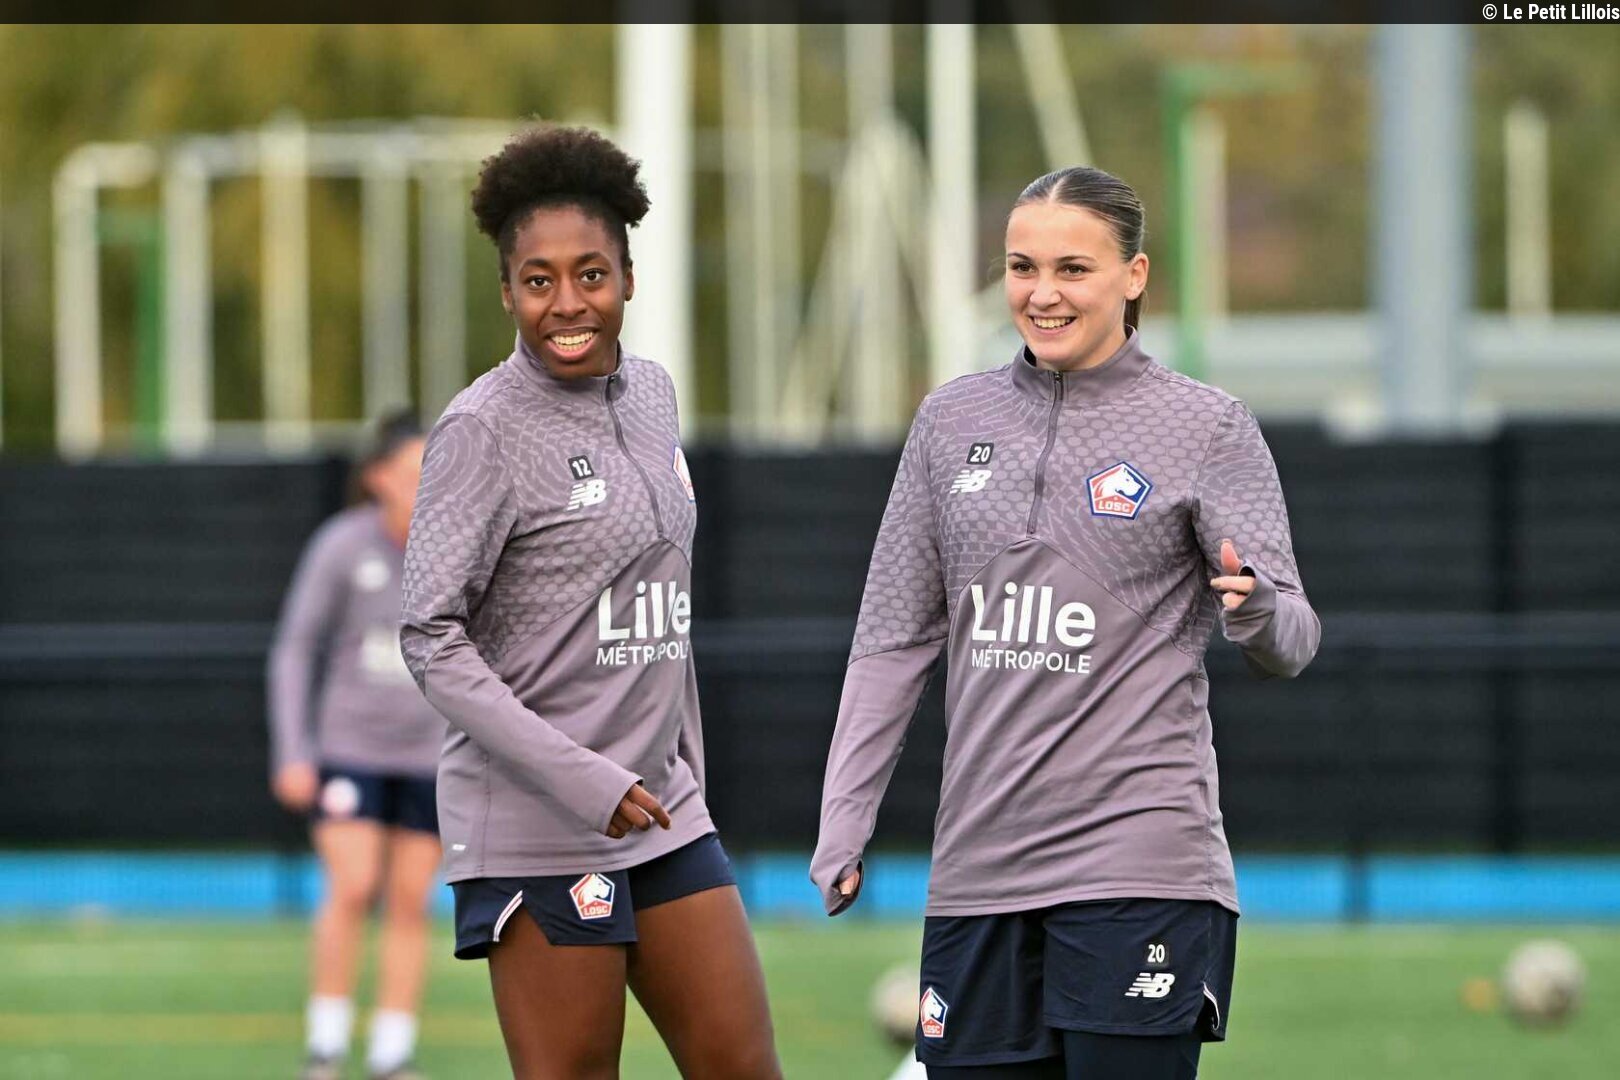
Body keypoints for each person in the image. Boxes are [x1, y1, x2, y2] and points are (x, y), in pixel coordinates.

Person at [811, 166, 1321, 1080]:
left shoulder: (1206, 427)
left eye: (1072, 269)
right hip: (977, 872)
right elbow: (891, 639)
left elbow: (1295, 638)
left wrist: (1259, 611)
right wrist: (845, 817)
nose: (1042, 293)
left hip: (1142, 867)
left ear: (1134, 276)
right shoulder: (949, 420)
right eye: (1022, 267)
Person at [399, 125, 781, 1080]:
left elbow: (662, 607)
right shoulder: (481, 430)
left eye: (591, 274)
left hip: (663, 809)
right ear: (507, 291)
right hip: (539, 825)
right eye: (539, 280)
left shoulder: (653, 395)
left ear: (629, 279)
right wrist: (583, 780)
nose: (567, 303)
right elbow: (430, 637)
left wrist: (682, 765)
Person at [268, 409, 444, 1080]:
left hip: (429, 755)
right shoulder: (342, 546)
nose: (424, 485)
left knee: (410, 899)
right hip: (351, 750)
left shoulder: (457, 550)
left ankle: (392, 1052)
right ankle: (326, 1044)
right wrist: (294, 751)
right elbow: (294, 648)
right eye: (410, 472)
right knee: (353, 884)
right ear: (377, 478)